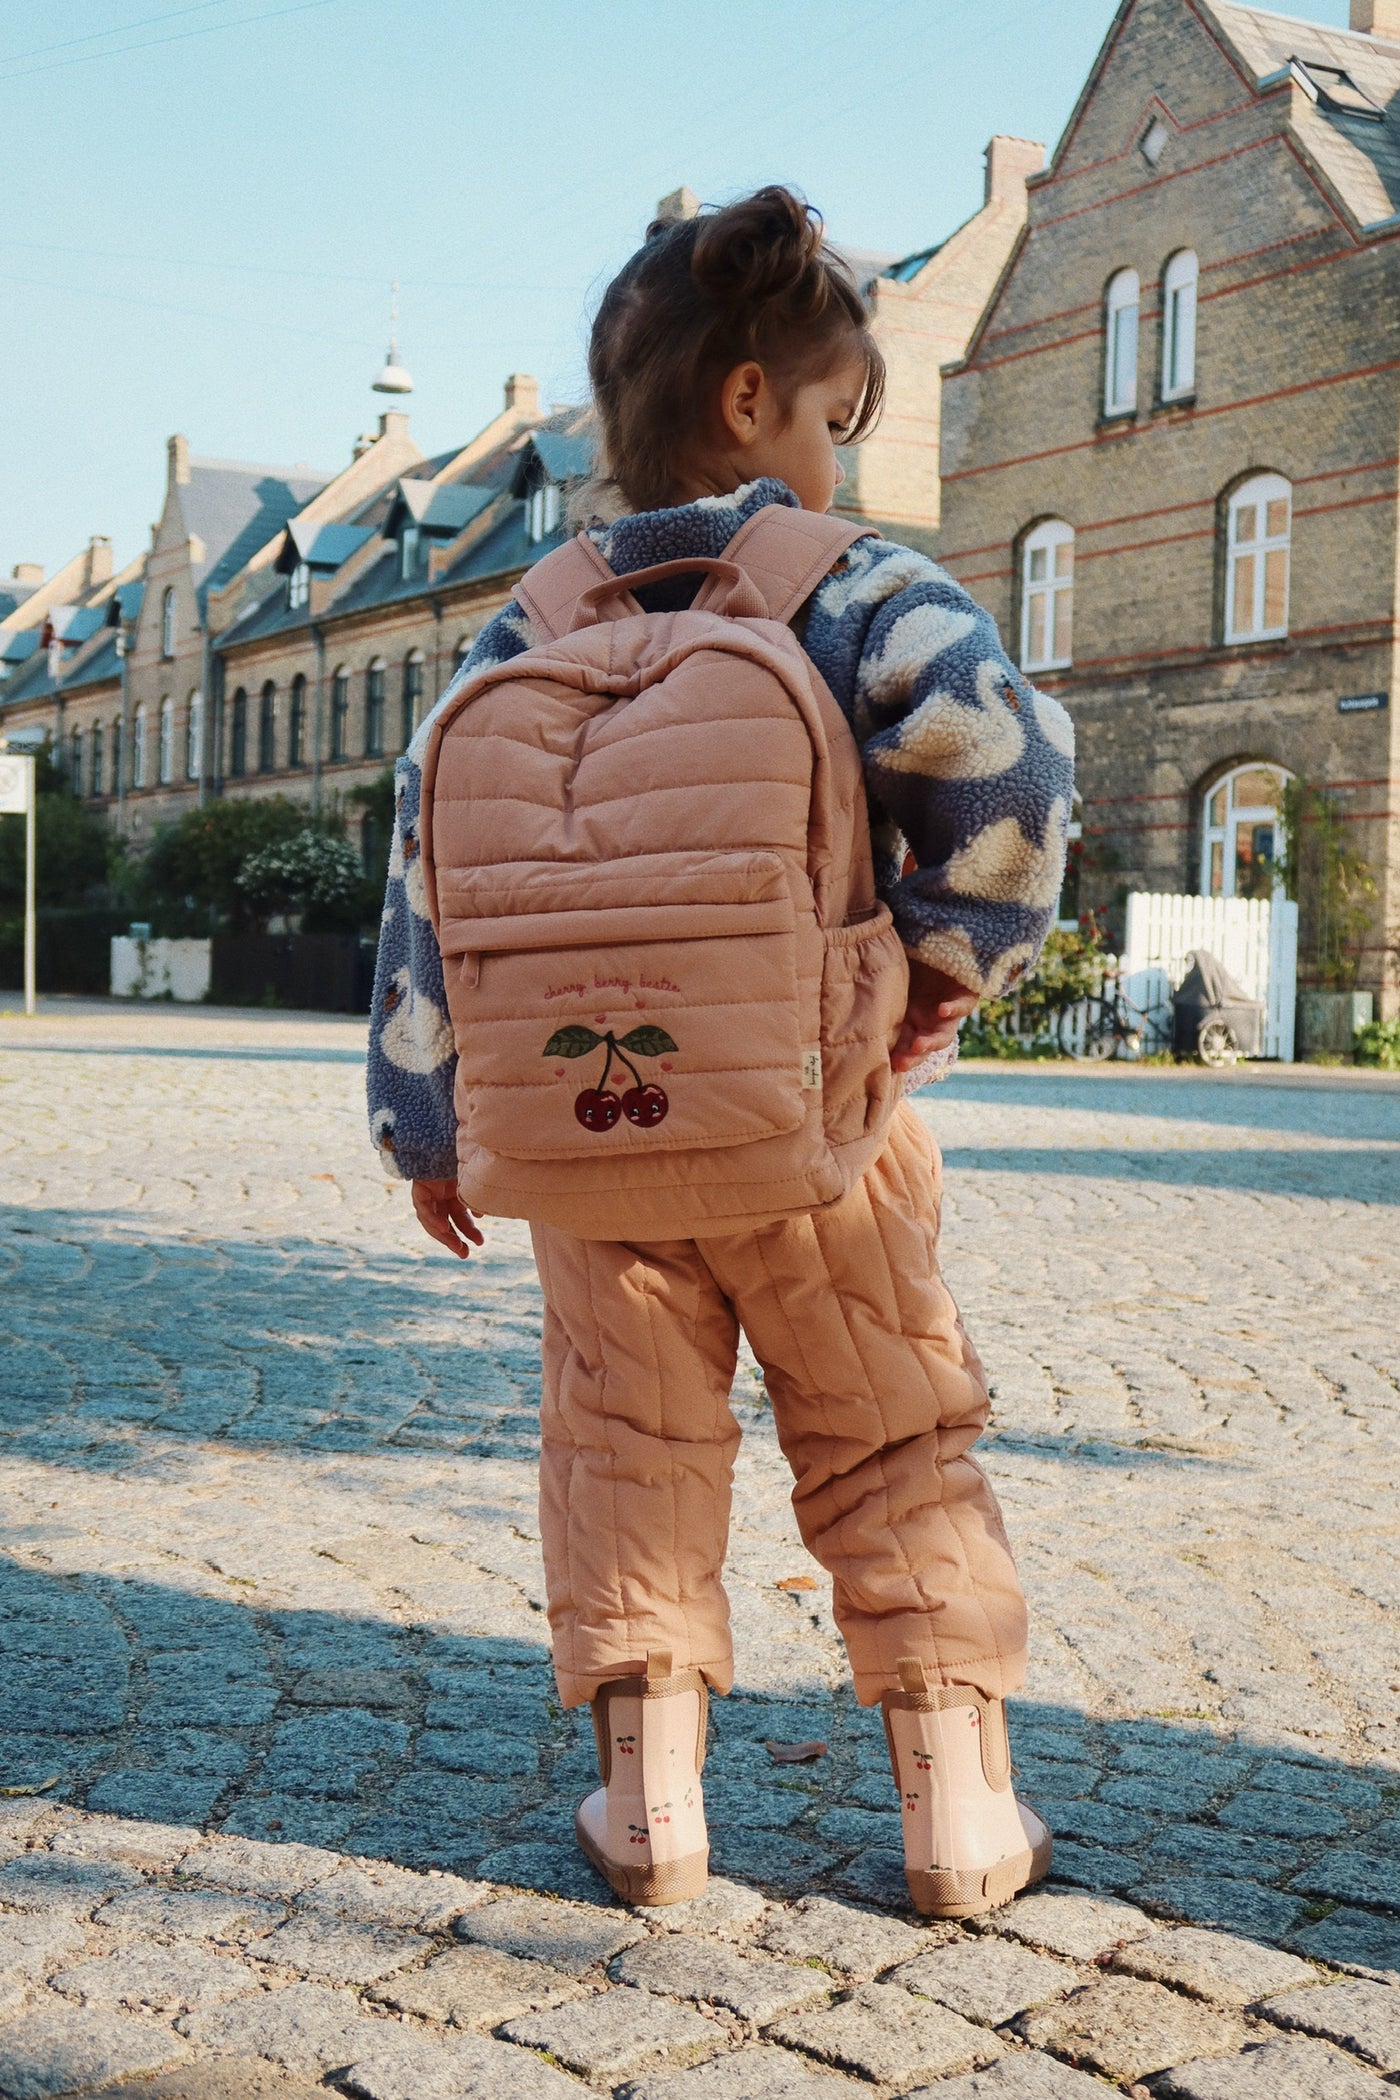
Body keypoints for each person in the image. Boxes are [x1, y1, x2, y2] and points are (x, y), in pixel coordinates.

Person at [367, 186, 1074, 1918]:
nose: (840, 461)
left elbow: (428, 876)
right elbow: (1006, 775)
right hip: (815, 1126)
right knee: (892, 1428)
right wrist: (941, 966)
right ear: (755, 403)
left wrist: (431, 1122)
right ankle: (958, 1814)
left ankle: (654, 1814)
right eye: (838, 420)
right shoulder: (852, 588)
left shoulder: (522, 621)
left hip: (590, 1153)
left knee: (625, 1448)